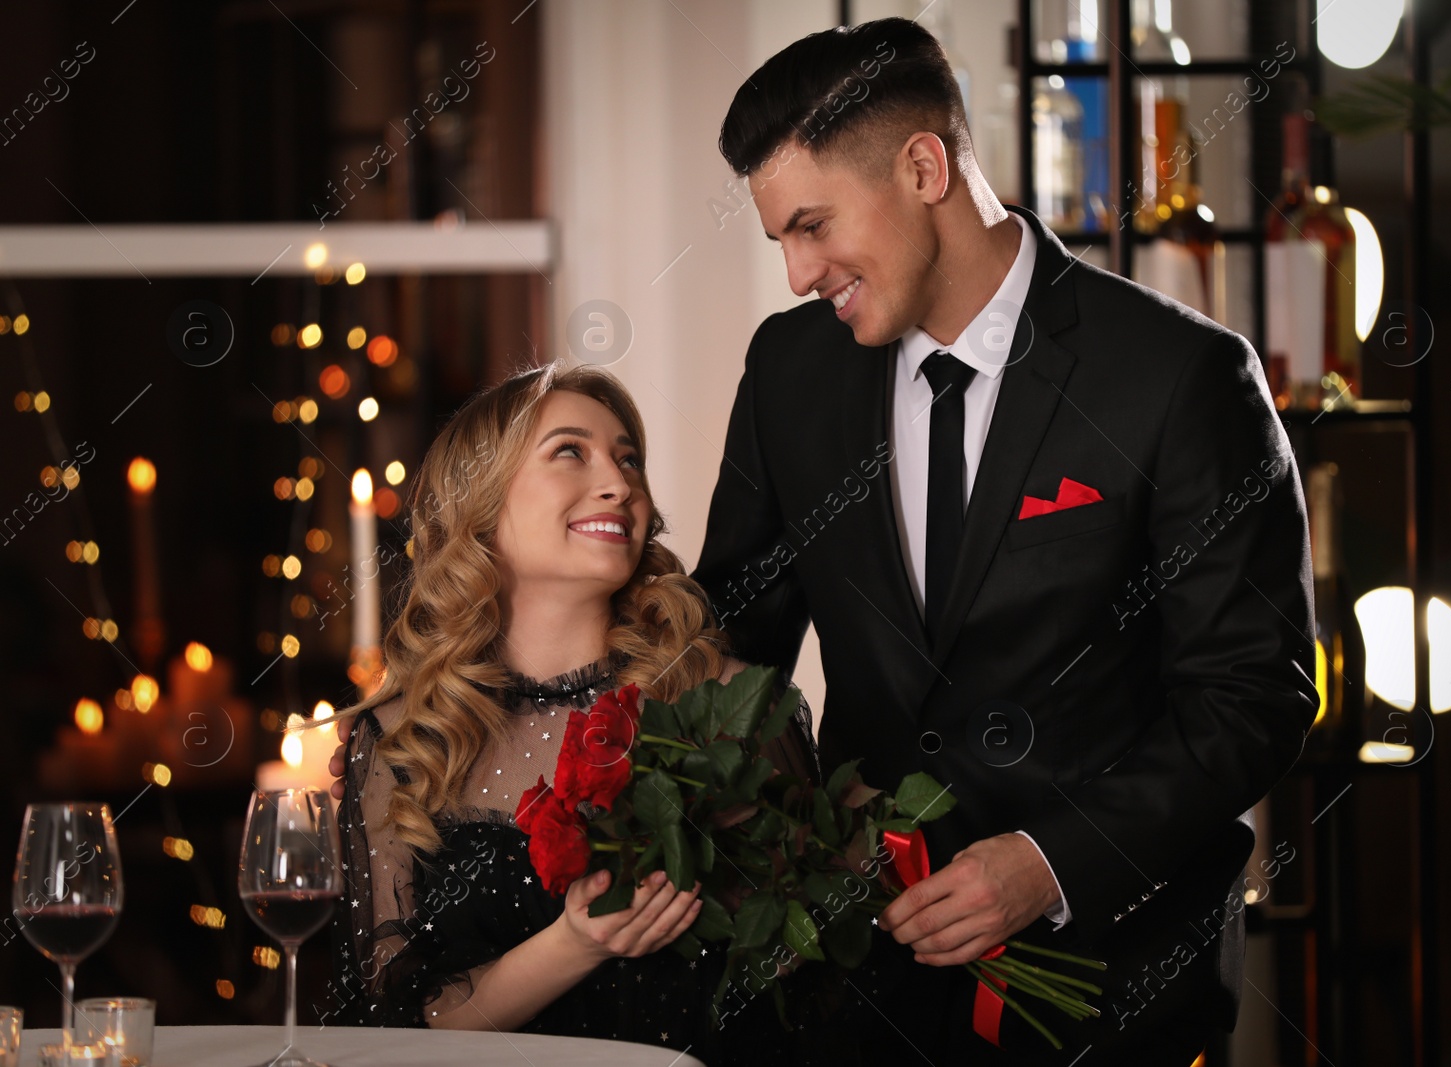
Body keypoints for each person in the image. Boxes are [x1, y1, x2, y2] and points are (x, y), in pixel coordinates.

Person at [691, 16, 1319, 1066]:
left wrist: (1046, 862)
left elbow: (1253, 694)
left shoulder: (1178, 376)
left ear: (924, 165)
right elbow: (732, 643)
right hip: (858, 989)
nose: (799, 272)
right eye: (781, 241)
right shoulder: (787, 371)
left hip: (1116, 988)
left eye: (812, 225)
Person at [321, 362, 850, 1064]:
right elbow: (394, 1022)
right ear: (481, 502)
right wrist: (574, 943)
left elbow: (815, 982)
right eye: (570, 451)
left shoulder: (730, 704)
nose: (619, 482)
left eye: (628, 458)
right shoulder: (400, 739)